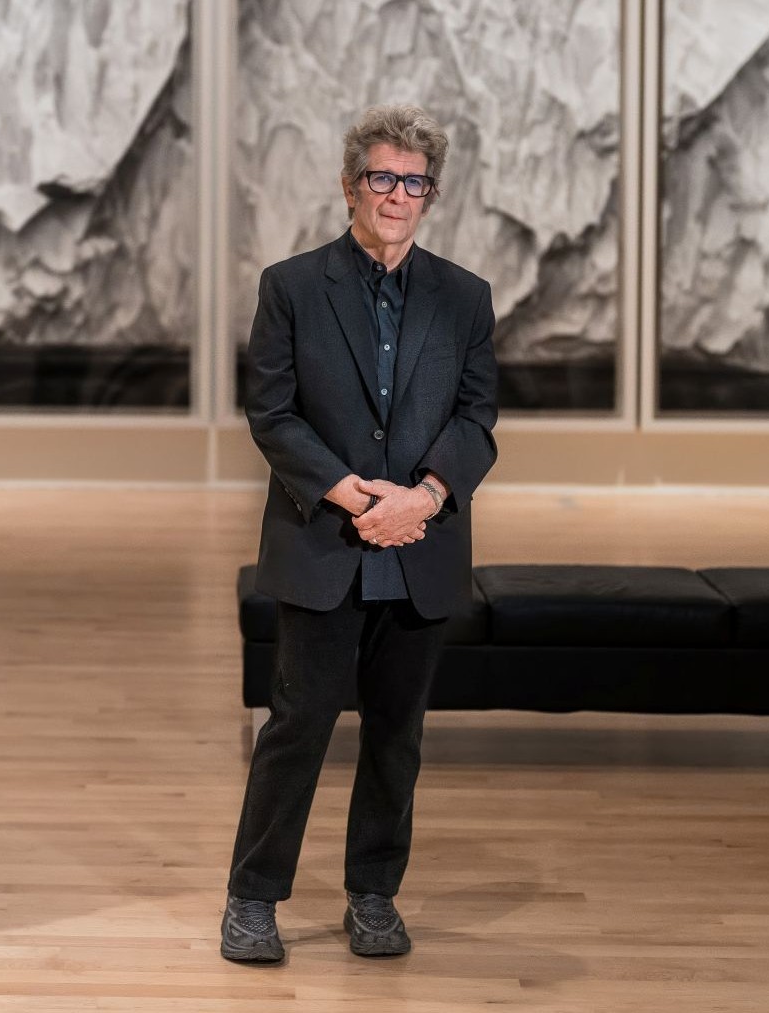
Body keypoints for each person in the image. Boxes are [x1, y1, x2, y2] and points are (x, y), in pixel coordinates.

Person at [222, 104, 500, 963]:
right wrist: (354, 497)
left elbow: (477, 417)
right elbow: (270, 413)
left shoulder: (465, 297)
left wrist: (422, 499)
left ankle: (373, 894)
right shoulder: (293, 286)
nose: (397, 195)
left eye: (414, 182)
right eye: (382, 177)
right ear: (351, 186)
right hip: (325, 545)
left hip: (420, 547)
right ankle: (253, 898)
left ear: (431, 195)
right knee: (298, 725)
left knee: (396, 732)